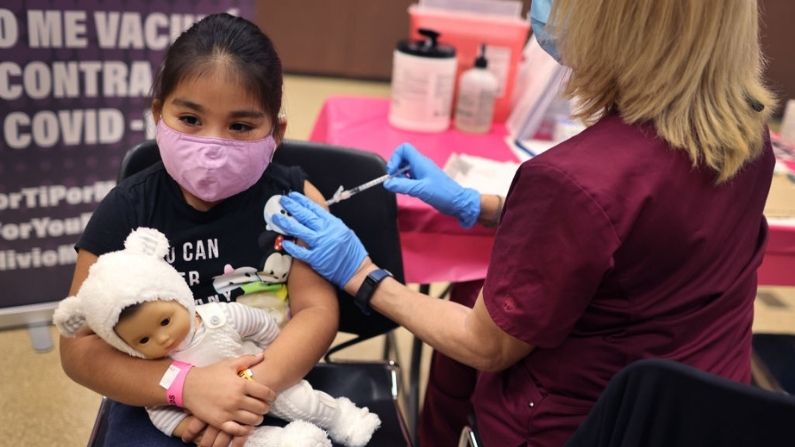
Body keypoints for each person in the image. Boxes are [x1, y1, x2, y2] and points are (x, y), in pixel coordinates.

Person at [270, 0, 777, 445]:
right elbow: (637, 232)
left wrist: (361, 273)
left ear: (624, 21)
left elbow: (484, 344)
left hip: (582, 427)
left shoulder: (572, 180)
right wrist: (485, 206)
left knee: (468, 302)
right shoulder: (744, 132)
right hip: (700, 415)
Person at [59, 13, 340, 447]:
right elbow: (78, 350)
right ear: (159, 115)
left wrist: (242, 390)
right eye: (190, 119)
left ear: (276, 131)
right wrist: (186, 387)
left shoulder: (296, 201)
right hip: (155, 395)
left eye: (241, 126)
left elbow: (316, 311)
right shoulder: (127, 209)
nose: (212, 145)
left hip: (274, 383)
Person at [55, 228, 380, 447]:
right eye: (142, 341)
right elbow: (160, 411)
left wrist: (270, 358)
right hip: (201, 412)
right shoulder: (158, 367)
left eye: (166, 320)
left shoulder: (217, 316)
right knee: (241, 438)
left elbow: (260, 325)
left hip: (266, 375)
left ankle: (341, 417)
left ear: (178, 295)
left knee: (301, 399)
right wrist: (190, 428)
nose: (163, 338)